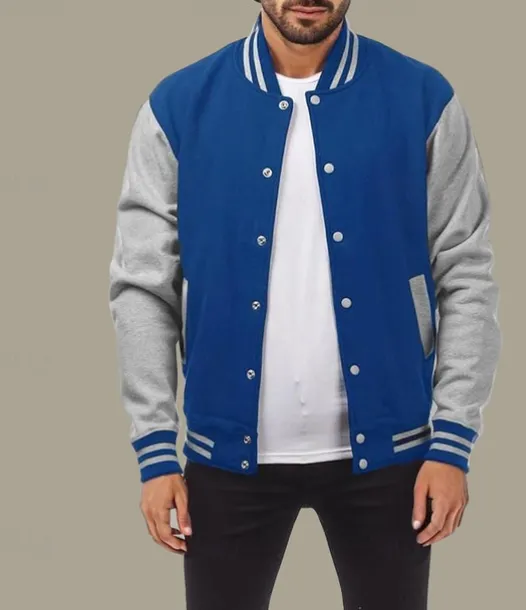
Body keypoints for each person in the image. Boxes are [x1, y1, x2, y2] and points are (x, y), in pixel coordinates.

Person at [108, 0, 501, 608]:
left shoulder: (423, 98)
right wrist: (156, 449)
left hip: (394, 454)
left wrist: (453, 441)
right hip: (224, 455)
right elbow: (143, 287)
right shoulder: (179, 106)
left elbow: (467, 273)